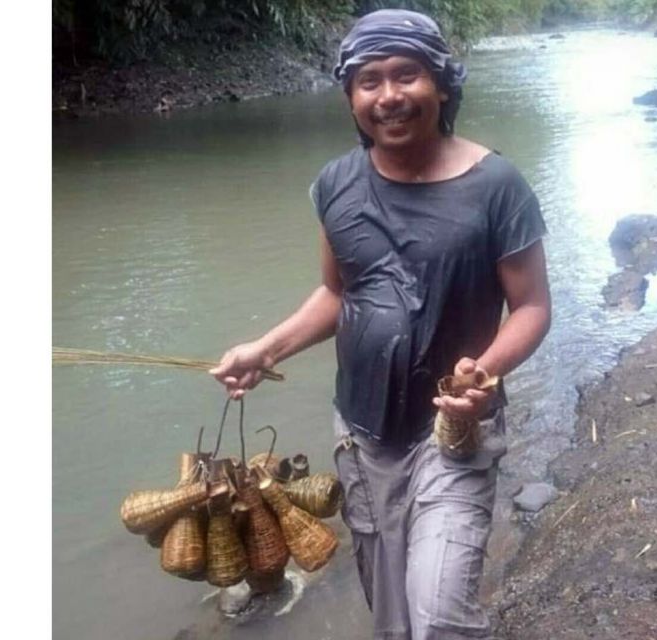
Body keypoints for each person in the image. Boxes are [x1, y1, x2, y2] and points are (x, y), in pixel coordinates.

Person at [210, 9, 551, 639]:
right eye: (369, 81)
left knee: (440, 614)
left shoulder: (498, 186)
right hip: (363, 436)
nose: (389, 96)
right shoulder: (336, 184)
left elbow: (531, 307)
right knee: (392, 618)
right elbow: (338, 294)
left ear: (442, 85)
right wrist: (266, 349)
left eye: (407, 75)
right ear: (351, 98)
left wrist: (487, 371)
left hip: (453, 430)